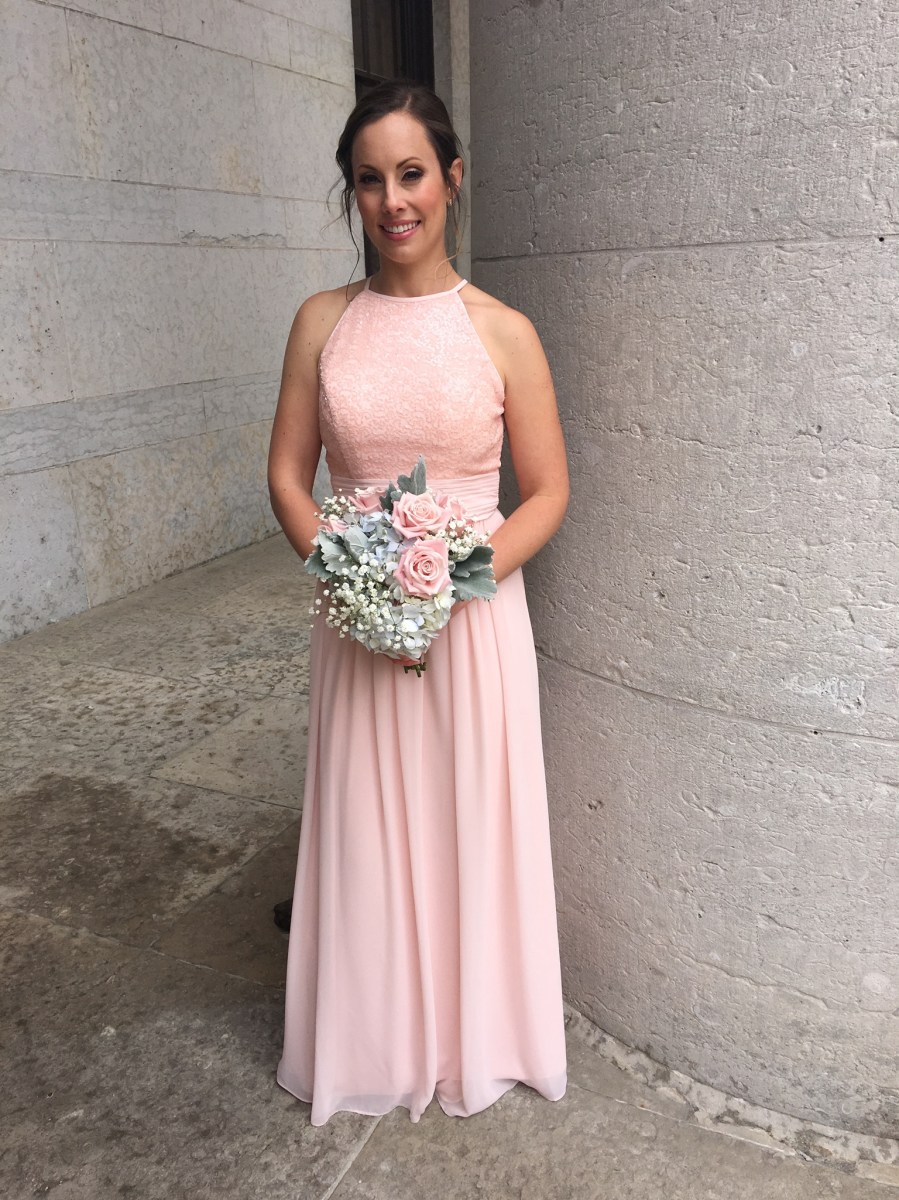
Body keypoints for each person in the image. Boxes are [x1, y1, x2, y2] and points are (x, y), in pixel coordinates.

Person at [266, 77, 570, 1126]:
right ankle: (375, 1038)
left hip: (472, 624)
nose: (391, 201)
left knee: (466, 824)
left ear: (451, 178)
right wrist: (354, 586)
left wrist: (446, 591)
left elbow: (548, 492)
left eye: (410, 174)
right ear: (351, 194)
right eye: (368, 180)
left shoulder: (504, 331)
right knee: (367, 832)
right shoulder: (320, 322)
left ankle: (477, 1033)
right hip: (357, 625)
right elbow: (286, 479)